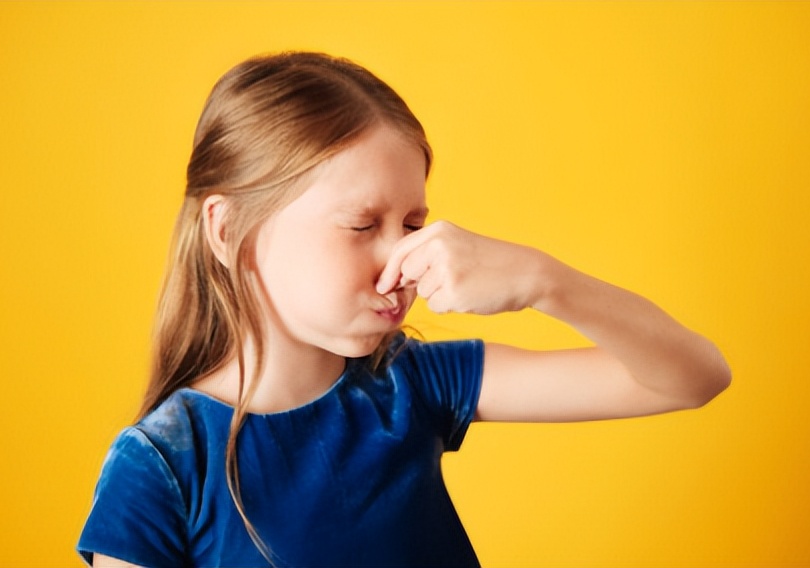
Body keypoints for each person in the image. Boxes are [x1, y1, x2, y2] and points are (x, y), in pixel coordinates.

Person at [77, 51, 731, 568]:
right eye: (362, 225)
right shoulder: (161, 467)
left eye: (414, 224)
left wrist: (543, 280)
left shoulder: (412, 384)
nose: (402, 262)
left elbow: (695, 377)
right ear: (228, 233)